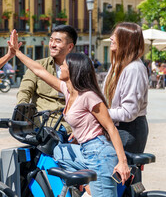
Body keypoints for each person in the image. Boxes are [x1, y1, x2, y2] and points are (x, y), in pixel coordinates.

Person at [8, 31, 130, 196]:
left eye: (64, 65)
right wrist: (17, 52)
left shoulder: (88, 95)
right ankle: (80, 188)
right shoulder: (68, 91)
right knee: (56, 152)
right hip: (86, 150)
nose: (61, 67)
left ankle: (90, 187)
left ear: (73, 70)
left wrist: (122, 162)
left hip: (99, 153)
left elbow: (111, 128)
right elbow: (39, 71)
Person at [17, 25, 78, 142]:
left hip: (70, 125)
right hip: (45, 124)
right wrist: (23, 113)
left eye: (58, 41)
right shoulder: (38, 66)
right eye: (51, 40)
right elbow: (24, 92)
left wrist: (81, 128)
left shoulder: (78, 69)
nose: (52, 44)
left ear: (70, 47)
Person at [104, 22, 149, 154]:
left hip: (129, 130)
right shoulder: (116, 65)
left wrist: (101, 113)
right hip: (118, 127)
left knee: (125, 172)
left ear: (126, 40)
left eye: (115, 35)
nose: (111, 38)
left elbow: (129, 112)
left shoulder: (134, 69)